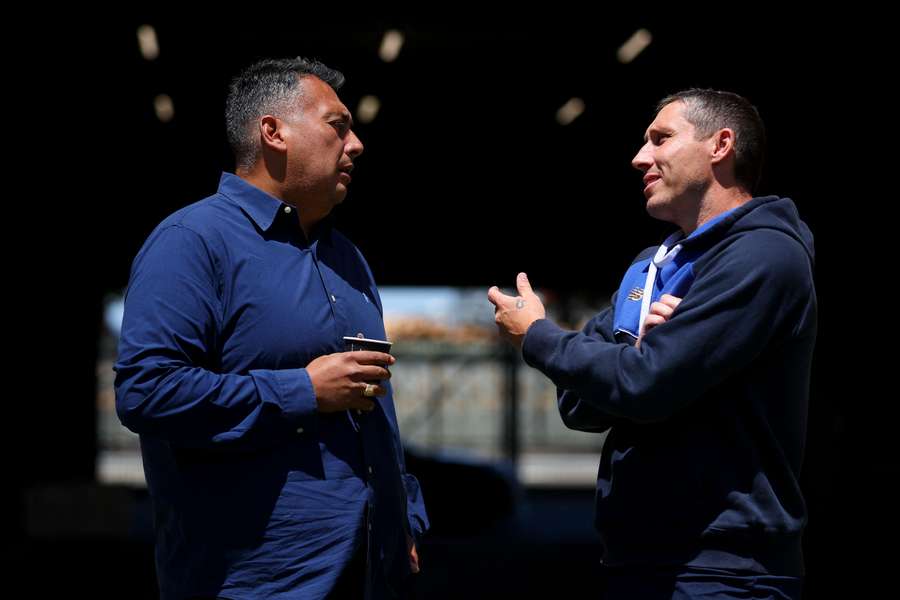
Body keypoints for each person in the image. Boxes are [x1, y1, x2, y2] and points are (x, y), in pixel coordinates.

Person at [114, 57, 428, 599]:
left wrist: (405, 514)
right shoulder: (192, 241)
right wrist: (302, 390)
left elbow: (374, 405)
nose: (356, 145)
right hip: (254, 582)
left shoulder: (347, 258)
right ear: (273, 132)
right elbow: (145, 390)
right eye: (338, 126)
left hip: (371, 571)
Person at [488, 89, 816, 599]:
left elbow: (642, 384)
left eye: (660, 139)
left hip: (721, 572)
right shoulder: (651, 267)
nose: (640, 157)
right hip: (637, 558)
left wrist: (539, 336)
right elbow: (582, 405)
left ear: (720, 145)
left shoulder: (764, 255)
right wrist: (642, 359)